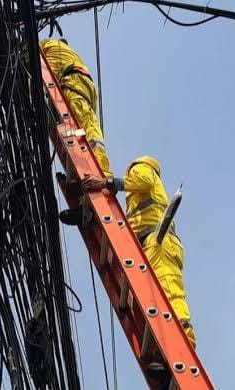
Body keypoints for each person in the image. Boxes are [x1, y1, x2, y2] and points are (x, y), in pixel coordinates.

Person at [81, 156, 197, 350]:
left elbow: (141, 181)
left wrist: (106, 182)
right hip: (149, 244)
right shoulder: (138, 197)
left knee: (169, 289)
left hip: (159, 240)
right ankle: (162, 348)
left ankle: (185, 341)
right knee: (151, 300)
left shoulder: (142, 168)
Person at [40, 38, 111, 177]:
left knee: (84, 124)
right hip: (86, 85)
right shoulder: (70, 52)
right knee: (84, 123)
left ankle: (99, 169)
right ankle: (87, 168)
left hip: (73, 81)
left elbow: (34, 70)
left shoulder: (46, 46)